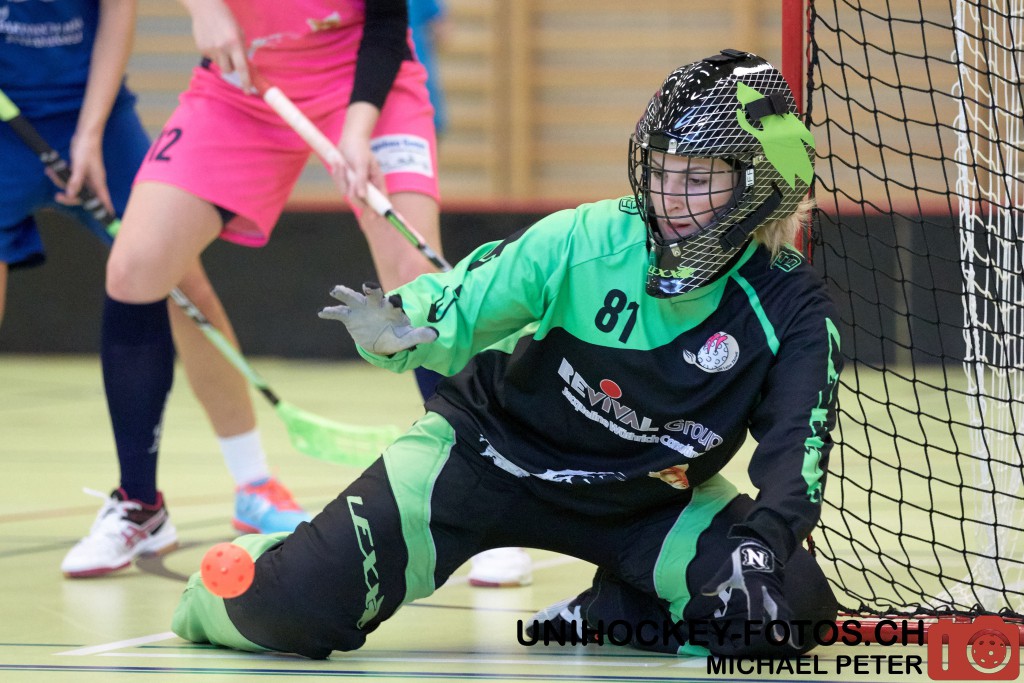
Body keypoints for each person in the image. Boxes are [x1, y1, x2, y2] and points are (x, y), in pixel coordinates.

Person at [171, 49, 842, 659]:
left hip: (647, 502)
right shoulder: (587, 237)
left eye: (696, 178)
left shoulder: (792, 309)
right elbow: (465, 298)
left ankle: (607, 613)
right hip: (483, 458)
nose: (669, 199)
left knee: (789, 612)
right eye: (661, 173)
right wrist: (405, 322)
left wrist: (761, 547)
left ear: (761, 181)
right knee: (287, 611)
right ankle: (255, 570)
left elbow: (797, 454)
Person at [0, 0, 312, 579]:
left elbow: (117, 15)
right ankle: (144, 506)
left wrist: (89, 133)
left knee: (181, 285)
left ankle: (253, 483)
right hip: (4, 127)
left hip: (93, 114)